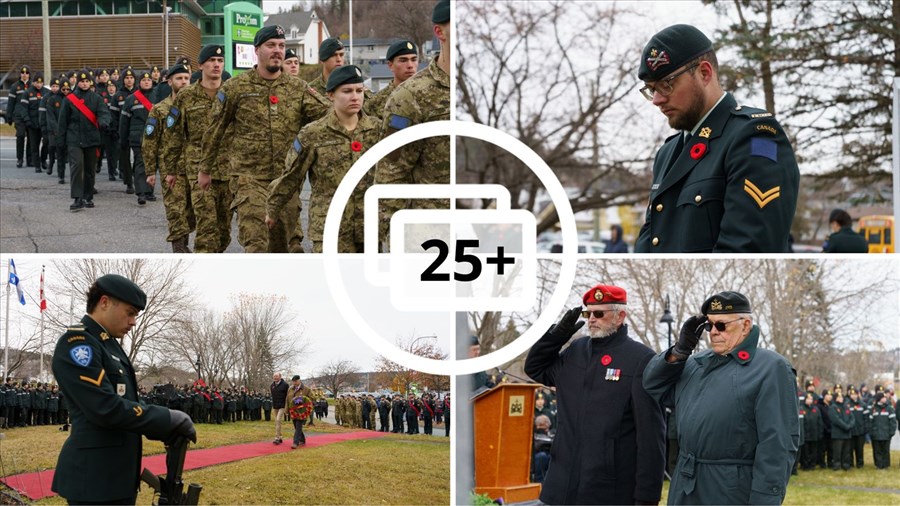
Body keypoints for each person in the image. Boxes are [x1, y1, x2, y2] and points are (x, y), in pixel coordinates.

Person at [634, 25, 800, 253]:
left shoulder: (755, 134)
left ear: (704, 73)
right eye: (651, 89)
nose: (657, 100)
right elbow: (650, 241)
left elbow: (749, 246)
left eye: (666, 84)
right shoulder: (667, 153)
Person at [50, 274, 195, 503]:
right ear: (104, 302)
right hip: (94, 481)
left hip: (115, 477)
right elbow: (105, 407)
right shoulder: (79, 343)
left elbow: (128, 402)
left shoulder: (108, 345)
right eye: (130, 313)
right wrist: (165, 418)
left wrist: (161, 427)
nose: (133, 321)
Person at [643, 291, 799, 504]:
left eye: (722, 325)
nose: (714, 332)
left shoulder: (770, 368)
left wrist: (765, 499)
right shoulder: (696, 363)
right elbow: (653, 385)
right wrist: (680, 351)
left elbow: (777, 445)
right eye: (709, 326)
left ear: (745, 325)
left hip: (730, 488)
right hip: (686, 485)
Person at [524, 284, 666, 505]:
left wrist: (647, 498)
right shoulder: (576, 350)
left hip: (607, 490)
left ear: (620, 316)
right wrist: (556, 336)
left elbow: (650, 437)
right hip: (559, 486)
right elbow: (535, 368)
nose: (591, 319)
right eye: (587, 313)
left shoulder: (640, 359)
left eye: (599, 313)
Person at [201, 25, 329, 252]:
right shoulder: (236, 88)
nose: (277, 51)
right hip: (248, 179)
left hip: (285, 181)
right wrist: (205, 169)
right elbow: (215, 129)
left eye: (281, 46)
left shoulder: (298, 88)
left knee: (285, 246)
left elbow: (329, 117)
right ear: (257, 50)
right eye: (271, 45)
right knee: (256, 242)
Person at [266, 65, 381, 252]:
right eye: (347, 91)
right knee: (329, 280)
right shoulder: (313, 133)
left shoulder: (377, 130)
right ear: (330, 95)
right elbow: (292, 176)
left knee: (367, 280)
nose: (355, 96)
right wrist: (273, 209)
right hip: (330, 228)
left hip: (368, 227)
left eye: (359, 91)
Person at [375, 0, 451, 249]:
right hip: (429, 234)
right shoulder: (411, 95)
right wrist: (386, 237)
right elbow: (391, 173)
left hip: (488, 229)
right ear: (440, 32)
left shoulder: (493, 90)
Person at [165, 45, 228, 254]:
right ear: (200, 66)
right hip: (198, 171)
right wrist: (171, 170)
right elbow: (174, 135)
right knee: (207, 228)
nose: (216, 64)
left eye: (220, 61)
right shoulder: (186, 96)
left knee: (223, 232)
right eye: (211, 61)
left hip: (228, 170)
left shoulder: (232, 93)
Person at [144, 63, 195, 252]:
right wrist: (150, 171)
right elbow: (150, 141)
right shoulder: (159, 109)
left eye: (186, 78)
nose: (183, 82)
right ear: (169, 81)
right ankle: (180, 250)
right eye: (179, 78)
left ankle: (185, 245)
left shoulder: (197, 107)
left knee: (192, 213)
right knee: (176, 212)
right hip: (171, 170)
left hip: (195, 168)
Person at [57, 69, 112, 212]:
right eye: (82, 81)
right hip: (74, 138)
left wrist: (104, 122)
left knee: (89, 169)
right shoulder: (69, 99)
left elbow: (104, 113)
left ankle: (88, 196)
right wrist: (60, 140)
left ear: (91, 82)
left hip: (92, 138)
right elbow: (62, 121)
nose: (84, 83)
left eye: (87, 81)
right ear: (77, 82)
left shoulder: (97, 98)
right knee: (77, 167)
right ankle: (77, 198)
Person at [120, 71, 157, 205]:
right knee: (141, 162)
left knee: (152, 163)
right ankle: (141, 192)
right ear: (139, 82)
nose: (146, 82)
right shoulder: (131, 99)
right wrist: (123, 139)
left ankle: (149, 190)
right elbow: (124, 122)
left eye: (149, 80)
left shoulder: (157, 97)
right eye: (143, 80)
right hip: (137, 136)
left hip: (154, 136)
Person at [366, 40, 419, 120]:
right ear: (391, 65)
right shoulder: (376, 102)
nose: (410, 65)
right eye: (403, 60)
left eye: (413, 59)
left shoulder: (431, 94)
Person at [8, 65, 32, 168]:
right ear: (20, 74)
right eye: (23, 72)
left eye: (26, 73)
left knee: (31, 138)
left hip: (30, 115)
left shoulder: (33, 86)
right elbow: (11, 103)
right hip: (18, 116)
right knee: (20, 136)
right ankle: (20, 159)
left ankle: (30, 160)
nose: (24, 75)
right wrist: (9, 115)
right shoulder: (15, 86)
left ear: (29, 74)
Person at [868, 392, 894, 469]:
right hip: (876, 434)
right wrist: (871, 432)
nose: (885, 399)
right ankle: (879, 465)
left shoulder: (889, 408)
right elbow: (870, 422)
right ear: (879, 399)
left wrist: (891, 432)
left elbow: (892, 421)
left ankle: (886, 465)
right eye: (883, 397)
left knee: (886, 450)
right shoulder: (873, 409)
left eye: (885, 397)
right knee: (877, 450)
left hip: (886, 433)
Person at [286, 375, 311, 448]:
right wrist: (286, 410)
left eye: (296, 381)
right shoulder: (290, 389)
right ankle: (302, 439)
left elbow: (311, 399)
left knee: (298, 426)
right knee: (296, 427)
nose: (294, 383)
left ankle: (295, 442)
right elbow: (287, 400)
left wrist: (306, 407)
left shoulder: (306, 389)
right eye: (293, 381)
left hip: (301, 411)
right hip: (293, 411)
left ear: (299, 380)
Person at [270, 372, 288, 444]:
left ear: (280, 377)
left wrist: (287, 406)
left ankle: (277, 437)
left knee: (278, 420)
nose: (275, 378)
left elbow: (287, 396)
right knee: (277, 421)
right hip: (275, 406)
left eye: (276, 376)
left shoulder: (285, 385)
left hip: (282, 405)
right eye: (274, 376)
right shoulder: (272, 385)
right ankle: (280, 436)